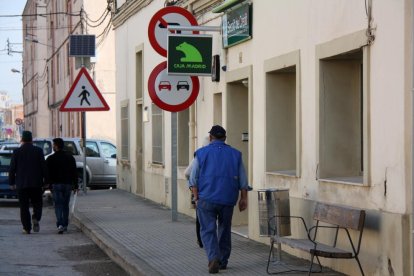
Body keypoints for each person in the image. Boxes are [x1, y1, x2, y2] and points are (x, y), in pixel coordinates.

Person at [189, 125, 248, 274]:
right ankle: (222, 261)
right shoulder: (236, 154)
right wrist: (243, 198)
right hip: (228, 199)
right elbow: (243, 179)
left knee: (208, 230)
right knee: (224, 229)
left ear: (210, 138)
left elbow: (193, 178)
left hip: (206, 198)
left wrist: (196, 197)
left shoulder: (201, 153)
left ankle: (213, 257)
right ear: (225, 138)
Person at [9, 131, 47, 234]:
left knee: (24, 207)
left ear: (22, 140)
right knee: (37, 203)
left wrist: (11, 182)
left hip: (22, 184)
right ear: (31, 140)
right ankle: (36, 217)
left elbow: (12, 168)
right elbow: (43, 167)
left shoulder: (17, 152)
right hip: (36, 183)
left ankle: (26, 228)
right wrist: (46, 181)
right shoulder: (38, 151)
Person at [46, 138, 78, 234]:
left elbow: (47, 173)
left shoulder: (50, 159)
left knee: (58, 205)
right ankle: (65, 225)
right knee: (65, 205)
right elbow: (74, 172)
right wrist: (75, 185)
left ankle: (60, 224)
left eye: (53, 145)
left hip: (56, 185)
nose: (52, 146)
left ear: (56, 146)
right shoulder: (70, 157)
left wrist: (48, 184)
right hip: (67, 184)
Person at [184, 136, 210, 248]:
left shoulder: (199, 155)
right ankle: (203, 239)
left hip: (200, 191)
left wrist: (192, 185)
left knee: (200, 217)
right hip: (204, 191)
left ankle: (201, 240)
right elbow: (188, 172)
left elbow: (187, 173)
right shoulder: (200, 155)